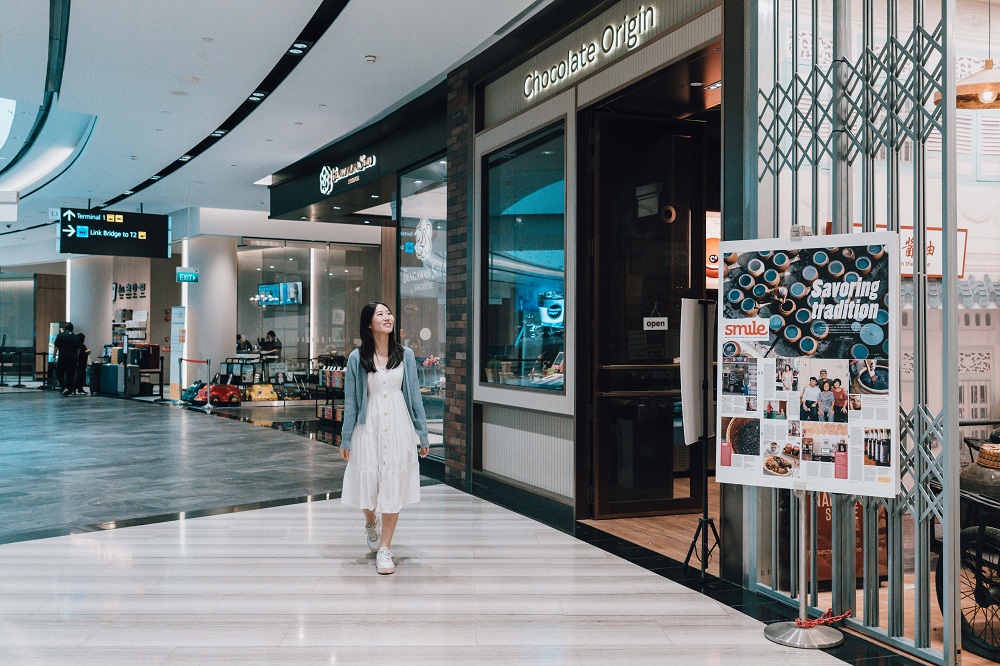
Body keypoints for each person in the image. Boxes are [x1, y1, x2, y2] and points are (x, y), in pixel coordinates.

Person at [340, 302, 429, 575]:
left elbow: (414, 395)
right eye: (380, 314)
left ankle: (386, 548)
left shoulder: (406, 355)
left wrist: (422, 432)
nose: (387, 317)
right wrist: (345, 438)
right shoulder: (357, 358)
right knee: (368, 484)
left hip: (399, 424)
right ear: (369, 323)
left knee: (393, 482)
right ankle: (370, 522)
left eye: (388, 313)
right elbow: (351, 402)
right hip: (368, 427)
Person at [53, 322, 81, 396]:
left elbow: (56, 347)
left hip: (63, 357)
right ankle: (70, 390)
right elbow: (78, 350)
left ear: (65, 329)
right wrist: (76, 358)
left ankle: (64, 387)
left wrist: (54, 356)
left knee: (59, 372)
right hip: (73, 358)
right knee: (71, 374)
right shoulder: (76, 337)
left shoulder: (60, 336)